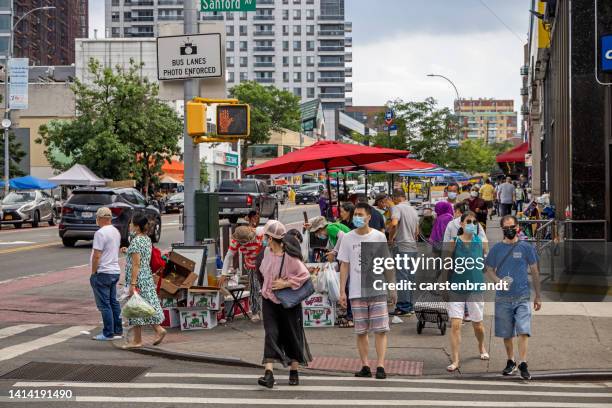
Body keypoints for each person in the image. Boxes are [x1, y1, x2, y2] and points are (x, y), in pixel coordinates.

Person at [337, 203, 396, 379]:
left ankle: (380, 366)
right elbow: (344, 266)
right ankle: (364, 365)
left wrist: (392, 287)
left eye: (360, 214)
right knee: (361, 331)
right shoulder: (347, 238)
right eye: (355, 214)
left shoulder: (379, 237)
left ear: (369, 217)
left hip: (377, 290)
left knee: (380, 330)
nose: (357, 217)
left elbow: (387, 263)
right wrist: (342, 291)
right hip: (356, 292)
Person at [485, 215, 542, 380]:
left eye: (512, 227)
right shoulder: (496, 249)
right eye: (506, 228)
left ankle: (523, 362)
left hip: (522, 296)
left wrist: (538, 296)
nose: (509, 230)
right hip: (503, 298)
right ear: (502, 229)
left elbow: (535, 271)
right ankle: (511, 361)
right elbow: (489, 268)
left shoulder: (526, 247)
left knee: (523, 330)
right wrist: (498, 281)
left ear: (517, 227)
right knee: (507, 333)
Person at [258, 221, 312, 389]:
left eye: (265, 237)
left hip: (287, 303)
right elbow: (262, 271)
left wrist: (286, 283)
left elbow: (304, 275)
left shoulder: (289, 257)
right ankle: (269, 374)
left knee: (291, 335)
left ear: (271, 237)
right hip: (268, 300)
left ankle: (294, 371)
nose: (263, 240)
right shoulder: (267, 252)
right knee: (271, 334)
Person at [444, 211, 489, 372]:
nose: (471, 224)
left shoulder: (481, 242)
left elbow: (486, 265)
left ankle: (481, 345)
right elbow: (446, 265)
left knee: (478, 325)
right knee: (455, 324)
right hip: (457, 287)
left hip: (475, 287)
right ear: (461, 224)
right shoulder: (453, 242)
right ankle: (455, 359)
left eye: (474, 222)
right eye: (468, 221)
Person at [121, 214, 166, 349]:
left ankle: (137, 340)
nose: (129, 226)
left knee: (136, 308)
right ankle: (158, 329)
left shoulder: (135, 241)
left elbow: (136, 265)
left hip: (138, 279)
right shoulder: (146, 239)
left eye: (131, 224)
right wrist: (128, 251)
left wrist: (133, 284)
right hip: (147, 277)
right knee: (145, 307)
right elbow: (141, 257)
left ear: (136, 226)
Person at [89, 207, 123, 341]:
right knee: (113, 302)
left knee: (105, 304)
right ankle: (118, 330)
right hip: (114, 271)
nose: (96, 220)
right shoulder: (116, 231)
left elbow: (97, 255)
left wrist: (93, 272)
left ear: (101, 218)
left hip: (103, 272)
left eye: (97, 218)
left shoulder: (100, 233)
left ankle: (108, 333)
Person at [220, 226, 264, 321]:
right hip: (251, 264)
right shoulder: (236, 242)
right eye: (243, 243)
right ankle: (255, 311)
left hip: (265, 262)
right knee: (254, 287)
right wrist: (224, 273)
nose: (246, 244)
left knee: (267, 286)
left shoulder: (260, 233)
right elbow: (229, 256)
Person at [388, 189, 419, 316]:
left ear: (396, 198)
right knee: (410, 277)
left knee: (402, 278)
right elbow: (417, 231)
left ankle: (403, 307)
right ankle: (410, 305)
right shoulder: (413, 210)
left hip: (402, 247)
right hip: (413, 247)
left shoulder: (397, 208)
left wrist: (390, 237)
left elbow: (394, 224)